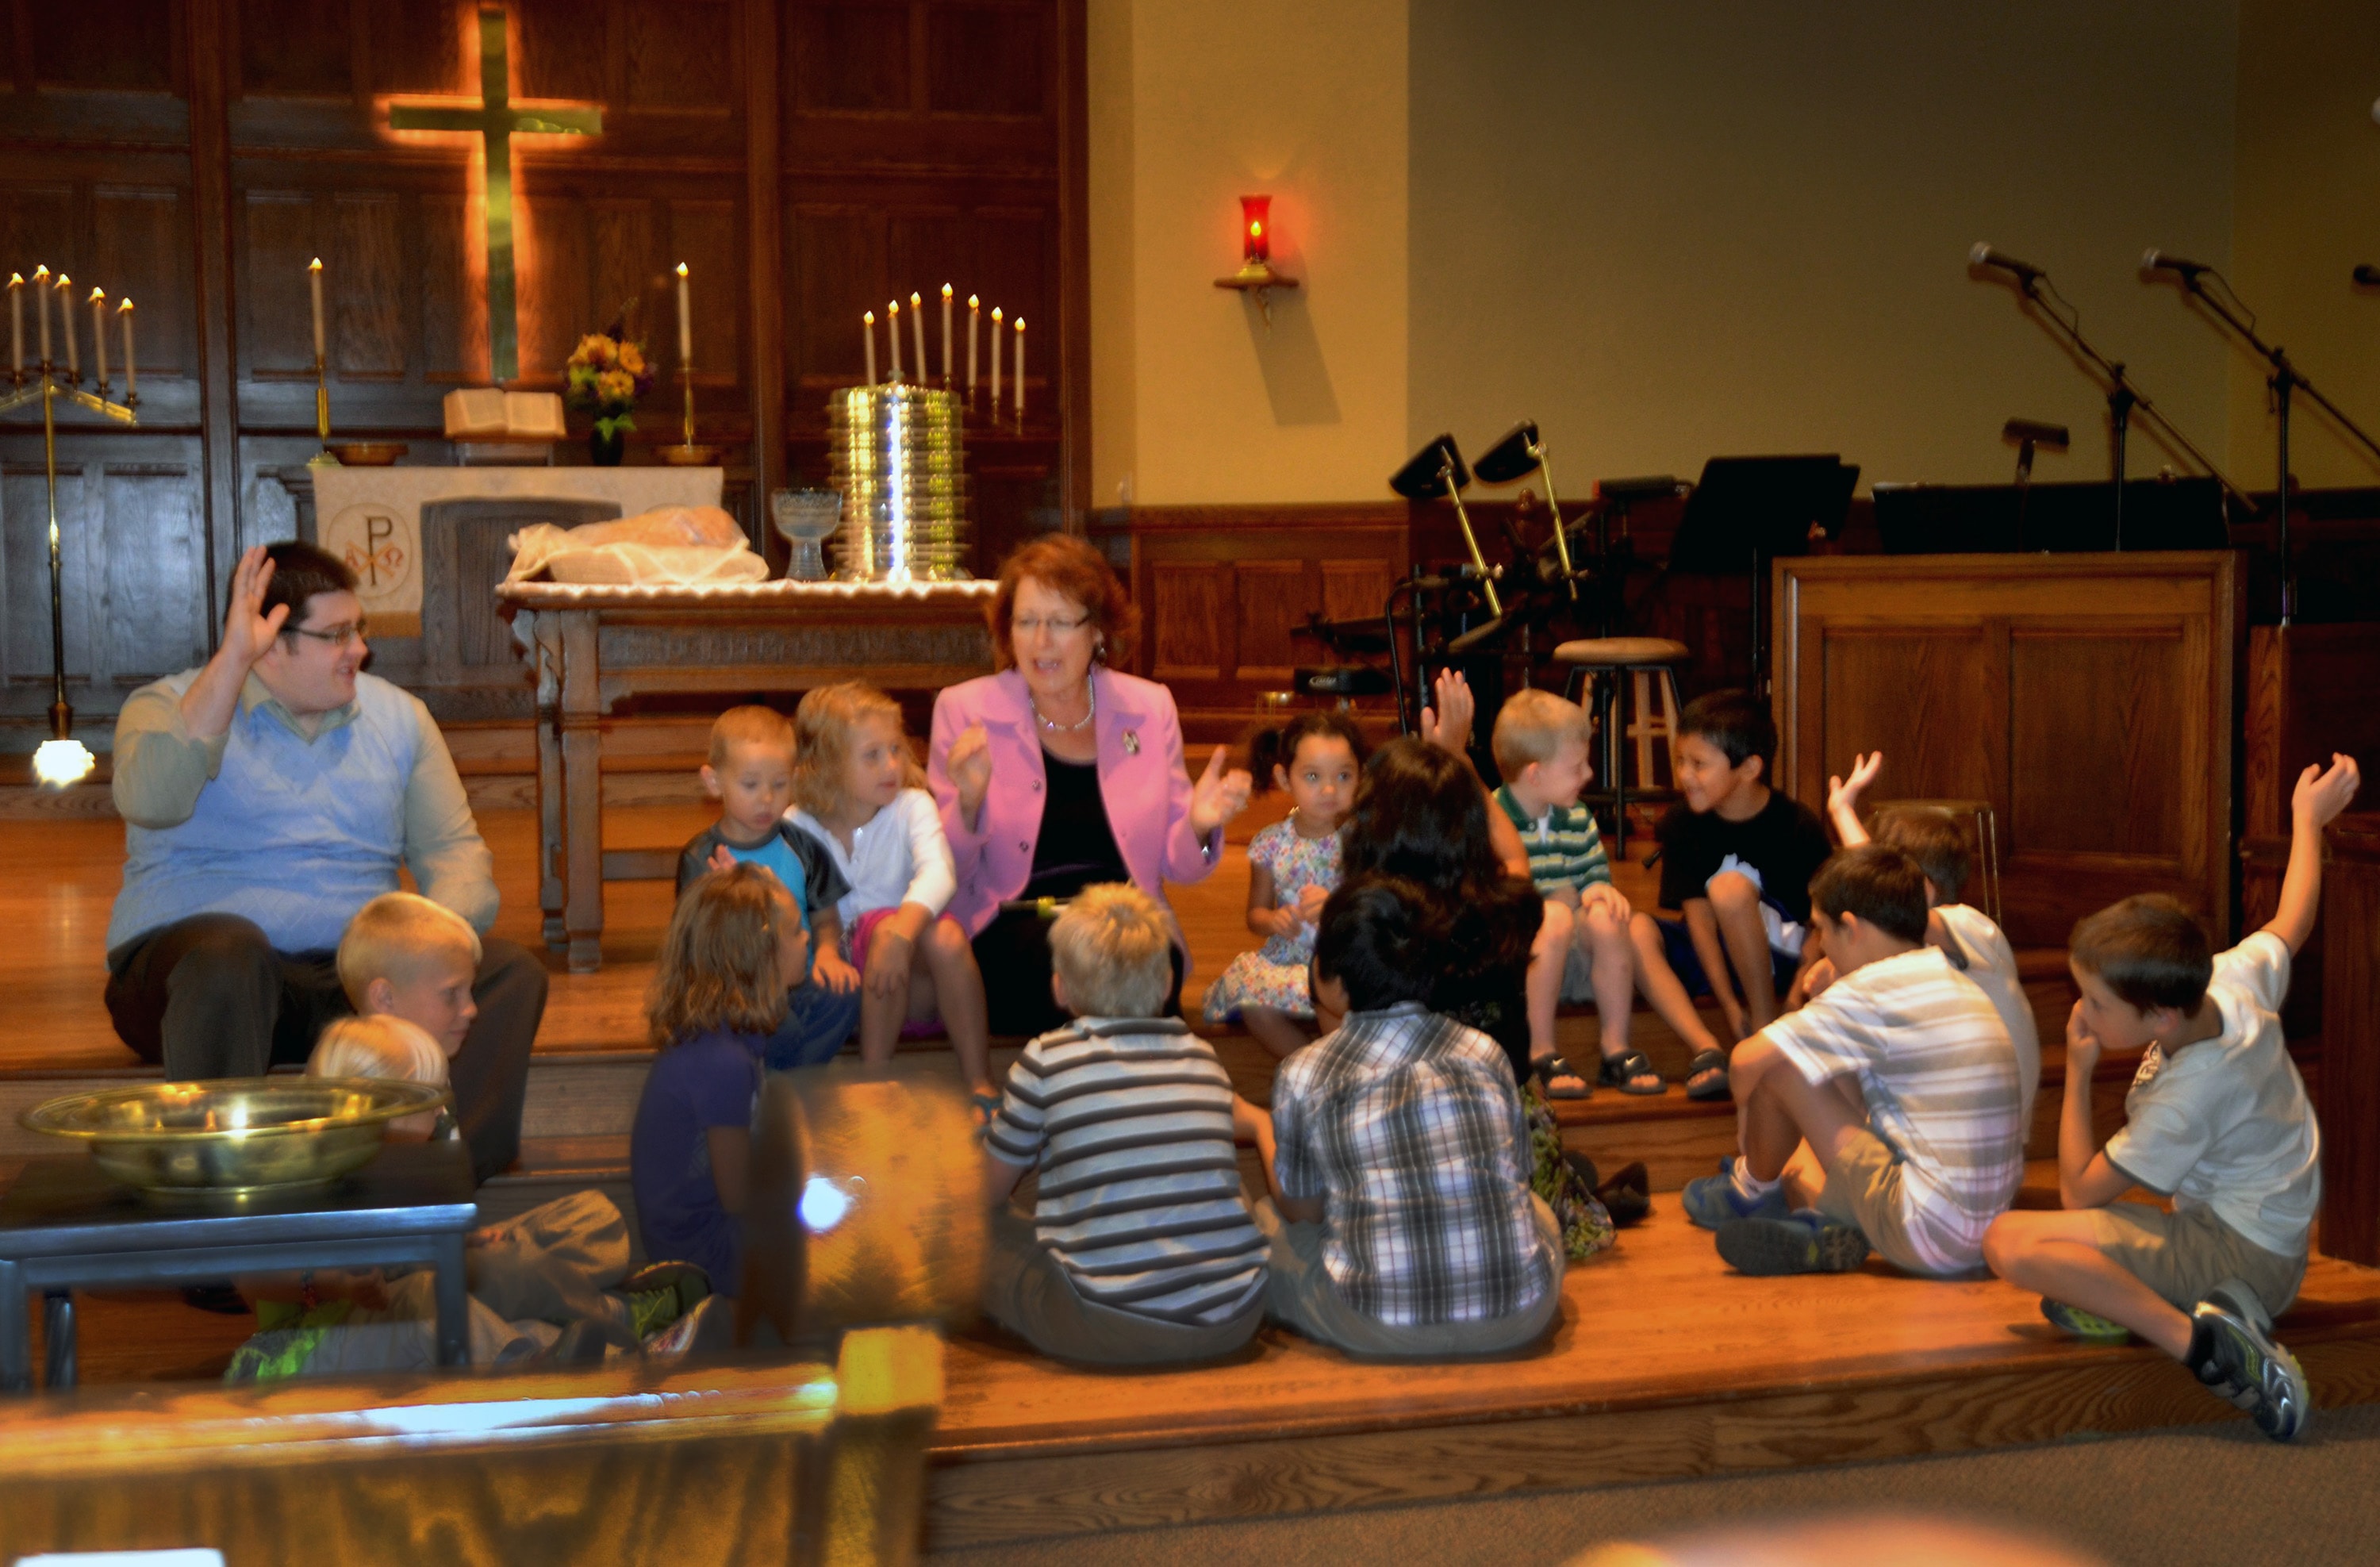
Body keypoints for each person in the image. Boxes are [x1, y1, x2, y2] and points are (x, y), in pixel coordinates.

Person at [102, 542, 543, 1183]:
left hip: (349, 982)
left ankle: (433, 1188)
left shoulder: (400, 717)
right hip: (194, 984)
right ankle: (220, 1200)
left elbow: (453, 851)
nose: (359, 649)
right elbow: (151, 799)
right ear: (270, 645)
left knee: (508, 972)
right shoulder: (163, 704)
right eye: (336, 635)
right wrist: (231, 663)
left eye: (358, 629)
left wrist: (429, 944)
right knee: (230, 953)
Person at [1982, 755, 2359, 1444]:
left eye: (2097, 1002)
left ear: (2160, 1015)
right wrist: (2307, 820)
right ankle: (2148, 1298)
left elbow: (2077, 1190)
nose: (2082, 1010)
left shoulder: (2190, 1095)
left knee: (2007, 1241)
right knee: (2066, 1248)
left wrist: (2078, 1070)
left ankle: (2205, 1345)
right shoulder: (2227, 981)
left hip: (2243, 1256)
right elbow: (2293, 920)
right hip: (2258, 1241)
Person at [223, 1020, 705, 1381]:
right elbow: (249, 1279)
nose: (442, 1109)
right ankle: (566, 1355)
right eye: (429, 1097)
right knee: (428, 1303)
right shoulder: (300, 1175)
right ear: (375, 1109)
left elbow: (411, 1253)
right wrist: (335, 1285)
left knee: (575, 1226)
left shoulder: (402, 1166)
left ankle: (618, 1341)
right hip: (301, 1358)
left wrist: (458, 1243)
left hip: (395, 1316)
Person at [928, 533, 1252, 1037]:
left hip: (1127, 919)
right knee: (1072, 970)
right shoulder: (965, 711)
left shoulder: (1148, 708)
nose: (1040, 642)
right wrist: (967, 805)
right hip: (1017, 924)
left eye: (1060, 623)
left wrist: (1199, 824)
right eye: (1026, 622)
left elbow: (1180, 867)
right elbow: (947, 871)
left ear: (1098, 630)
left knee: (1143, 959)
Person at [1681, 844, 2024, 1280]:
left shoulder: (1872, 990)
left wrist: (1747, 1125)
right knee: (1827, 1063)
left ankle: (1750, 1190)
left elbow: (1747, 1062)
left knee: (1783, 1070)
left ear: (1852, 928)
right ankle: (1816, 1218)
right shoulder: (1952, 978)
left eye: (1821, 930)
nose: (1820, 945)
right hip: (1987, 1234)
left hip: (1927, 1234)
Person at [1257, 876, 1565, 1358]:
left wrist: (1262, 1132)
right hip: (1519, 1316)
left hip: (1379, 1323)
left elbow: (1304, 1210)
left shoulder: (1304, 1072)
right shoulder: (1484, 1052)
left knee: (1267, 1221)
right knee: (1538, 1214)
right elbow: (1518, 1174)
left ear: (1330, 976)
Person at [980, 882, 1271, 1365]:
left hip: (1108, 1325)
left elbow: (988, 1194)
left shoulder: (1046, 1059)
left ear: (1059, 987)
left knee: (975, 1236)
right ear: (1167, 984)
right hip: (1235, 1319)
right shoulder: (1202, 1057)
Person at [786, 682, 993, 1101]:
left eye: (896, 749)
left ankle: (980, 1080)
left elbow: (940, 872)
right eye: (872, 755)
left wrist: (901, 933)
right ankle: (875, 1084)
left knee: (946, 935)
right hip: (842, 994)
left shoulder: (912, 806)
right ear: (826, 764)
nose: (891, 765)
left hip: (909, 986)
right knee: (882, 929)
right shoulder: (798, 824)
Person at [1627, 690, 1833, 1101]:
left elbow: (1821, 925)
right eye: (1681, 760)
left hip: (1778, 958)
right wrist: (1729, 1009)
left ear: (1750, 768)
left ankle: (1766, 1034)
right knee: (1634, 929)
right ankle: (1707, 1048)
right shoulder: (1682, 823)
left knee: (1730, 888)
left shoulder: (1796, 825)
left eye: (1699, 764)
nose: (1685, 775)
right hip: (1715, 956)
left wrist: (1795, 997)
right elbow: (1699, 923)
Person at [1821, 753, 2041, 1124]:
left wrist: (1842, 813)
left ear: (1920, 889)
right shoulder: (1903, 948)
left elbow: (1884, 893)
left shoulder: (1971, 927)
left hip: (1980, 1127)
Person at [632, 861, 812, 1290]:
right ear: (759, 953)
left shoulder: (731, 1035)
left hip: (717, 1233)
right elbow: (739, 1196)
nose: (807, 937)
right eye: (795, 931)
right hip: (702, 1253)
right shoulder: (722, 1063)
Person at [675, 705, 862, 1070]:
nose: (766, 798)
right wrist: (726, 899)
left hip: (799, 985)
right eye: (751, 785)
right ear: (714, 782)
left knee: (845, 996)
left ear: (795, 779)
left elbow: (825, 919)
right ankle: (782, 1071)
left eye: (779, 785)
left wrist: (827, 955)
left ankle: (782, 1073)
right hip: (737, 993)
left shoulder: (803, 848)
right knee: (773, 1025)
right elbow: (694, 946)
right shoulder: (700, 858)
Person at [1490, 688, 1652, 1095]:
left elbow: (1592, 874)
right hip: (1516, 961)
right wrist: (1546, 904)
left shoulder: (1577, 816)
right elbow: (1491, 899)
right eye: (1577, 767)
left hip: (1573, 959)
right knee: (1557, 915)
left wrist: (1599, 891)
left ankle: (1615, 1048)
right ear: (1535, 774)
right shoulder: (1493, 820)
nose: (1589, 775)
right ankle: (1540, 1050)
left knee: (1606, 917)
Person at [1202, 711, 1365, 1060]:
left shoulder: (1361, 841)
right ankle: (1314, 1067)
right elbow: (1255, 914)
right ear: (1284, 778)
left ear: (1360, 777)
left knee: (1346, 999)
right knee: (1253, 1002)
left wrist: (1336, 907)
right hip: (1288, 960)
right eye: (1313, 776)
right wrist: (1274, 920)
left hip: (1343, 959)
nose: (1329, 789)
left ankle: (1344, 1064)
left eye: (1344, 775)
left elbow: (1376, 906)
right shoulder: (1271, 843)